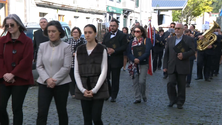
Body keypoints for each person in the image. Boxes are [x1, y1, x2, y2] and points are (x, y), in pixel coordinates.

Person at [0, 14, 34, 125]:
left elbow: (27, 60)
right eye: (7, 25)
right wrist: (6, 74)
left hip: (20, 79)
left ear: (18, 25)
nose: (9, 27)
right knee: (1, 106)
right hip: (4, 78)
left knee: (17, 108)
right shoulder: (2, 40)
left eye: (12, 24)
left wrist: (13, 74)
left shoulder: (28, 41)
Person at [36, 21, 72, 125]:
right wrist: (47, 79)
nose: (51, 34)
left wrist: (54, 80)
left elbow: (66, 66)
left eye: (53, 31)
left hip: (62, 84)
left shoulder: (66, 47)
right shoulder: (42, 46)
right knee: (42, 112)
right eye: (49, 31)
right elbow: (39, 65)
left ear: (59, 32)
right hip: (44, 83)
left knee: (61, 111)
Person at [74, 24, 109, 125]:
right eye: (85, 33)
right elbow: (76, 71)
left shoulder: (102, 49)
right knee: (87, 118)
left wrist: (95, 90)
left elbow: (104, 70)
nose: (87, 35)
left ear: (95, 34)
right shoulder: (79, 50)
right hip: (84, 85)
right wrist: (82, 89)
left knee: (96, 117)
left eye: (90, 32)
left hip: (98, 86)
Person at [163, 23, 195, 109]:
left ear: (183, 30)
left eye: (178, 29)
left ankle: (180, 102)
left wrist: (184, 55)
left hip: (182, 65)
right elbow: (166, 53)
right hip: (171, 65)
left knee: (181, 85)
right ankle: (172, 99)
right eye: (175, 28)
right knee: (171, 83)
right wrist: (165, 66)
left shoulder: (188, 39)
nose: (176, 30)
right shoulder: (170, 39)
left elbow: (193, 50)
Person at [102, 19, 128, 102]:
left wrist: (115, 50)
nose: (112, 27)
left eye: (114, 26)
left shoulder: (122, 35)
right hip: (107, 59)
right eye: (111, 25)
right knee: (105, 77)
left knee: (115, 78)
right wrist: (106, 49)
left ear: (117, 26)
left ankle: (113, 95)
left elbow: (124, 46)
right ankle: (108, 93)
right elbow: (103, 44)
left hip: (116, 59)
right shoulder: (107, 35)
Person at [127, 26, 152, 104]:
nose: (136, 33)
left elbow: (147, 52)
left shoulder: (146, 40)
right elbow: (128, 52)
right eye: (135, 31)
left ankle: (143, 94)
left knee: (141, 81)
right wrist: (134, 59)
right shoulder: (131, 41)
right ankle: (137, 97)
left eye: (138, 31)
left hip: (143, 63)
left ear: (141, 32)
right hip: (133, 64)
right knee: (135, 81)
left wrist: (139, 59)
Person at [67, 27, 86, 98]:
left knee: (79, 78)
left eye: (76, 32)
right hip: (71, 63)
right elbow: (66, 51)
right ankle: (73, 93)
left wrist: (78, 54)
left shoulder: (83, 41)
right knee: (71, 78)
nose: (75, 33)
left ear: (79, 33)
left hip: (80, 63)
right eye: (73, 32)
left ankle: (80, 91)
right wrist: (72, 53)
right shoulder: (69, 42)